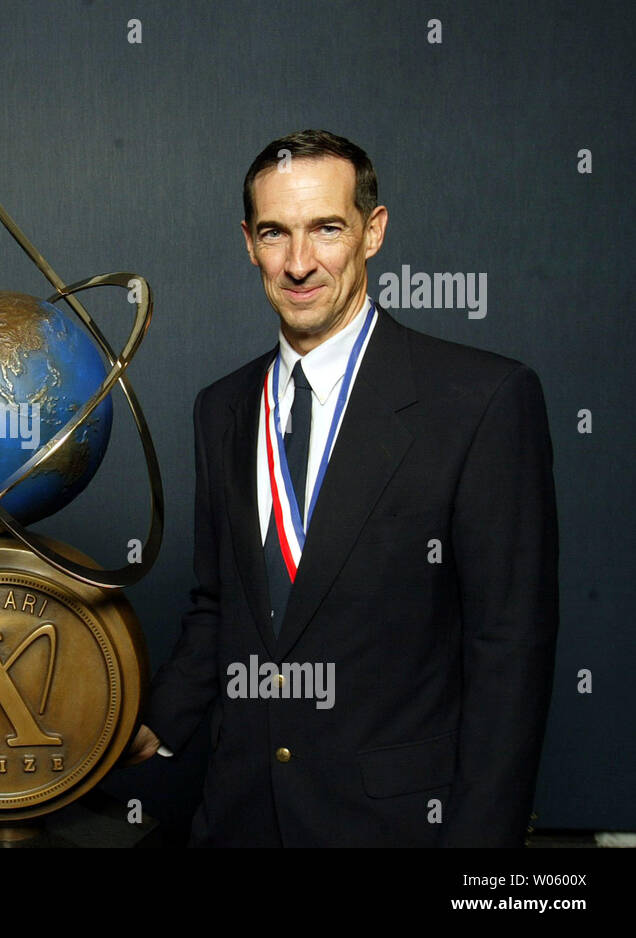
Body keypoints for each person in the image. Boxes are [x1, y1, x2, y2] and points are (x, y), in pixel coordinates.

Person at [127, 130, 558, 847]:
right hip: (238, 818)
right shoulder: (223, 408)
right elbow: (220, 605)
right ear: (248, 242)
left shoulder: (481, 400)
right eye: (275, 233)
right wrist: (146, 722)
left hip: (395, 827)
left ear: (373, 232)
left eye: (327, 229)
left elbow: (509, 650)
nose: (299, 263)